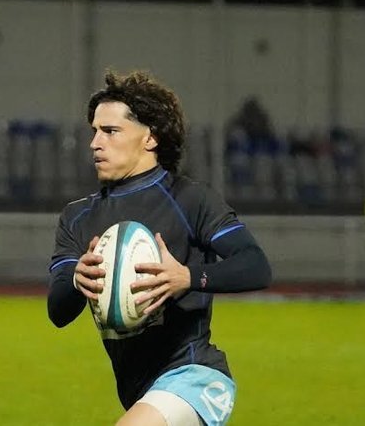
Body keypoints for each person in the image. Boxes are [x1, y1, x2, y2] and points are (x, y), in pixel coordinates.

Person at [47, 71, 272, 426]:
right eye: (94, 131)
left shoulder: (190, 199)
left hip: (195, 376)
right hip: (139, 390)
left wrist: (187, 277)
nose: (95, 142)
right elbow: (57, 312)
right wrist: (77, 281)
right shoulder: (78, 217)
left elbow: (256, 265)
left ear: (150, 137)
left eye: (110, 131)